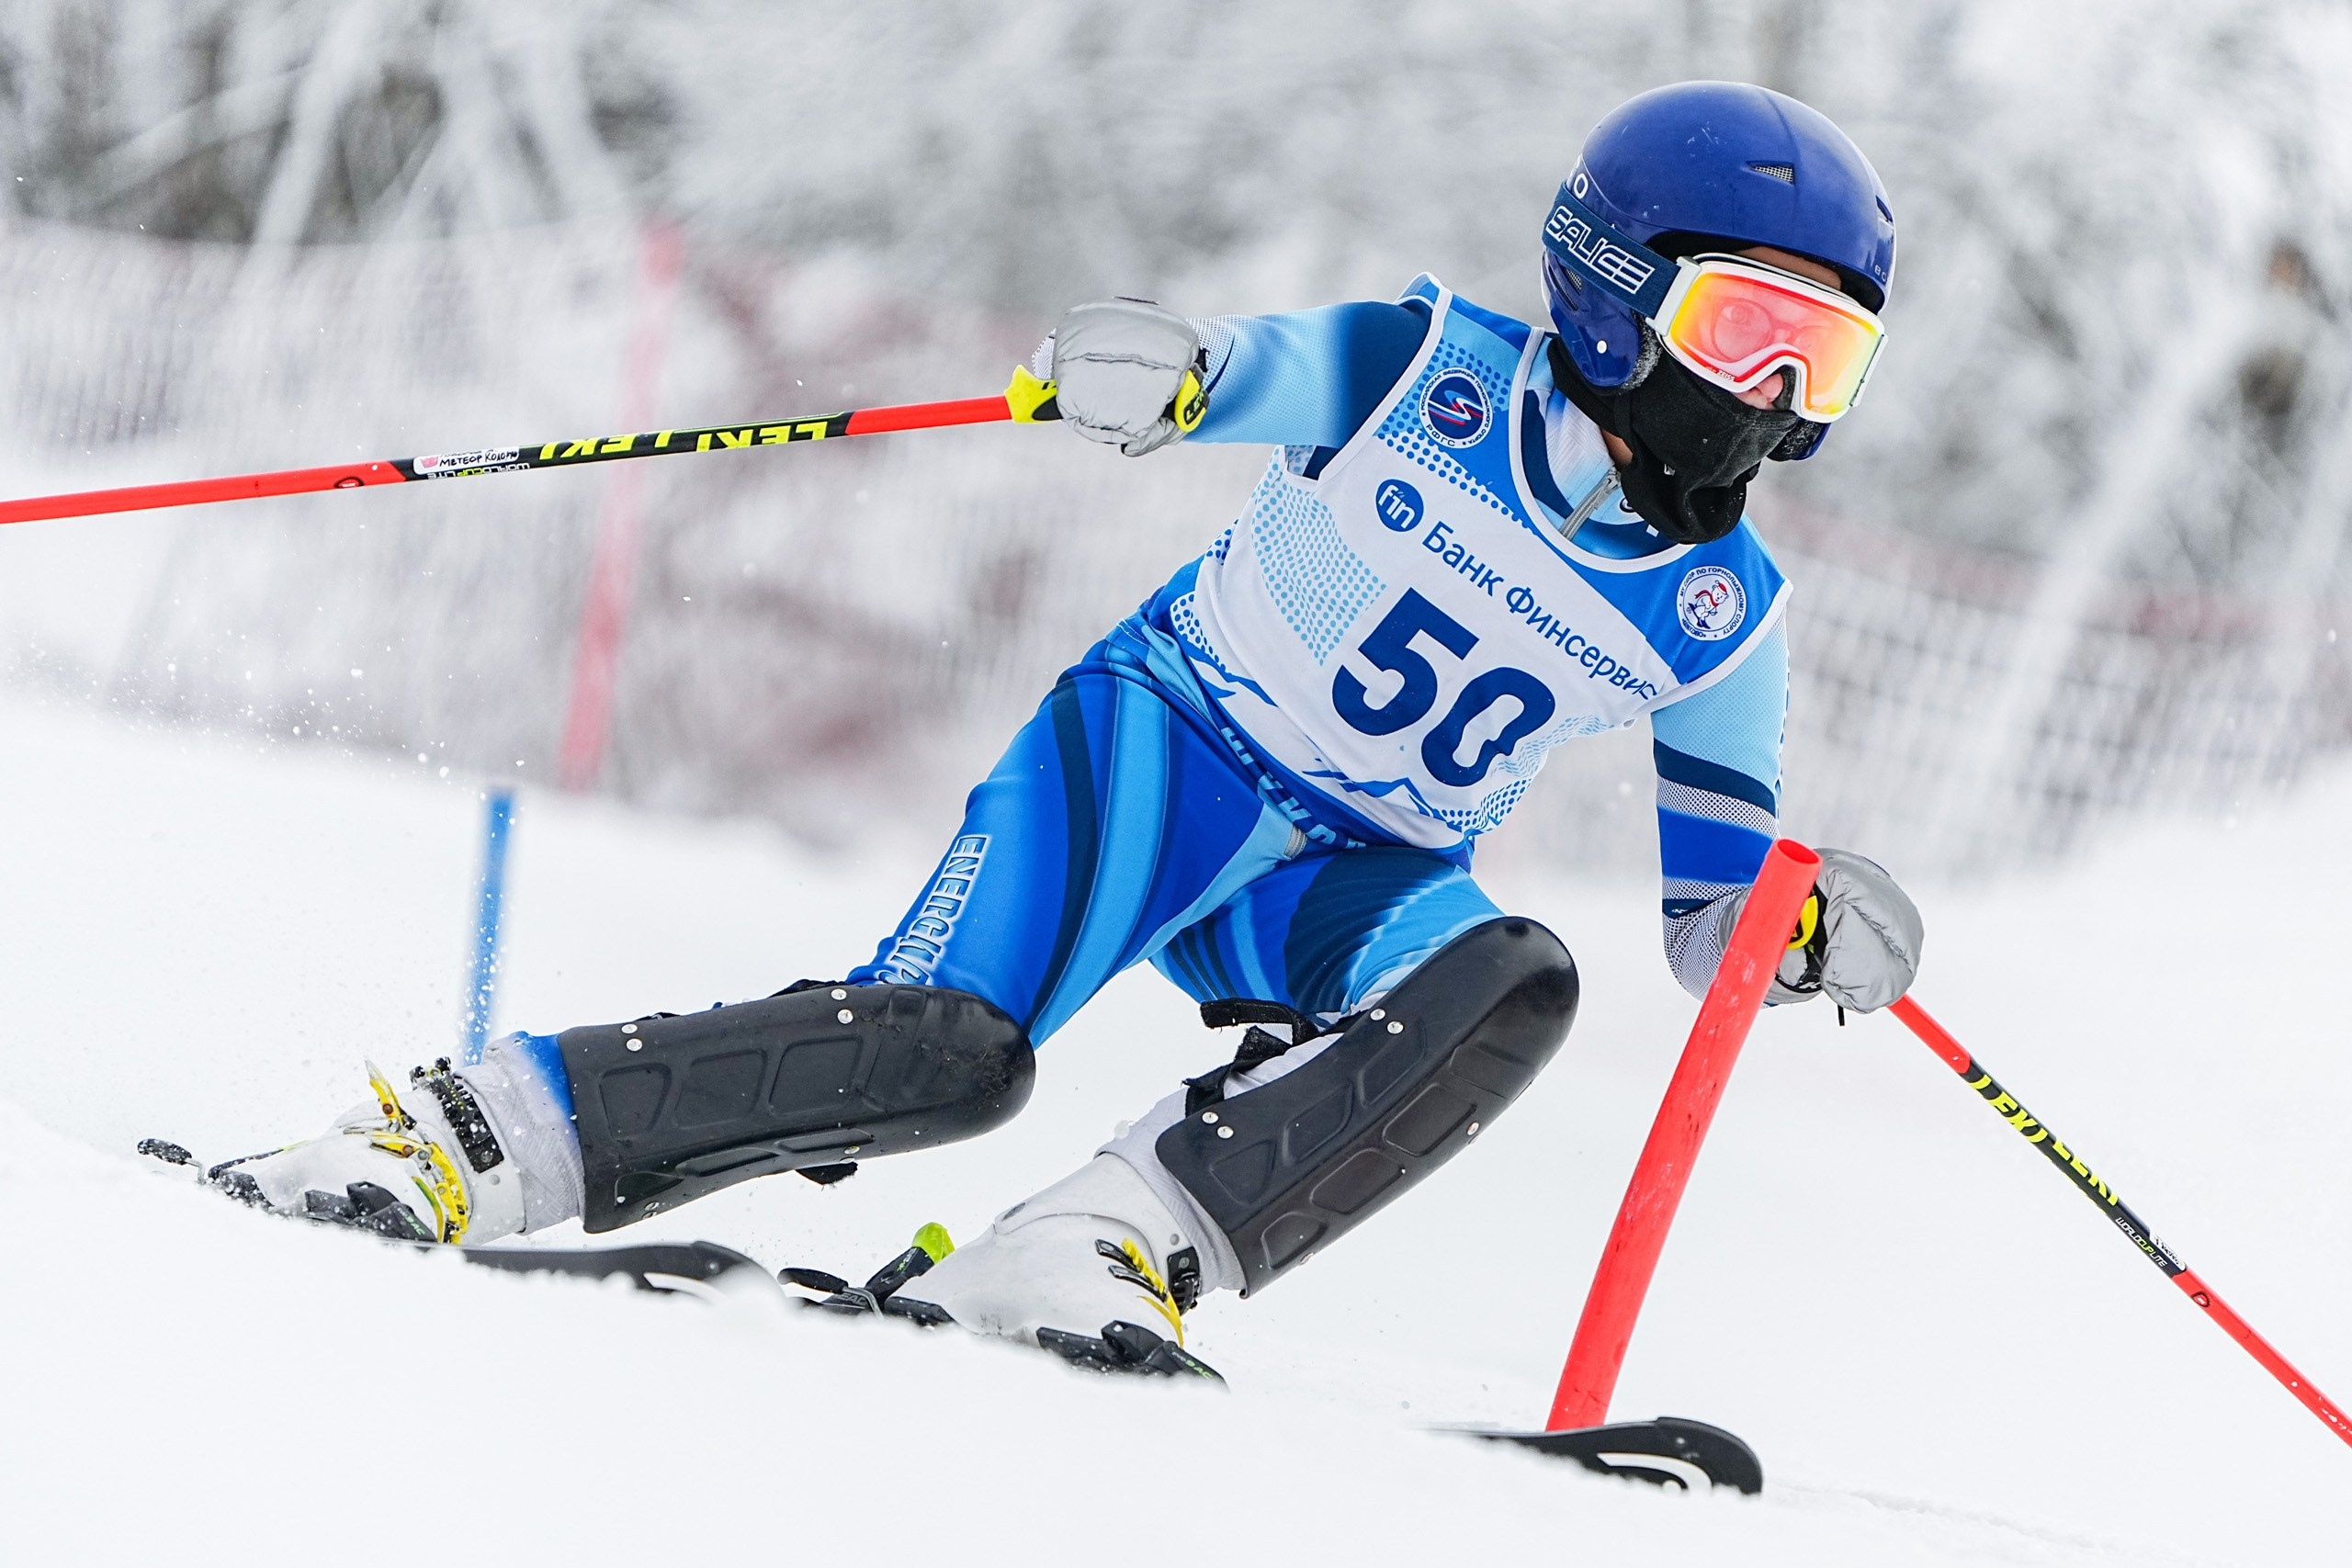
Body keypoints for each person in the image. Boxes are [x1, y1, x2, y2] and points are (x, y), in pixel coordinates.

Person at [194, 81, 1924, 1377]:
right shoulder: (1428, 370)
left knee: (1511, 981)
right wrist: (1161, 377)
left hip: (1353, 875)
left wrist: (1799, 921)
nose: (1772, 400)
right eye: (1746, 335)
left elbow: (1715, 916)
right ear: (1614, 289)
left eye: (1822, 365)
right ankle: (455, 1139)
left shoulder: (1726, 618)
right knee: (939, 1054)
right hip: (1160, 758)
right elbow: (1232, 374)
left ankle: (1107, 1243)